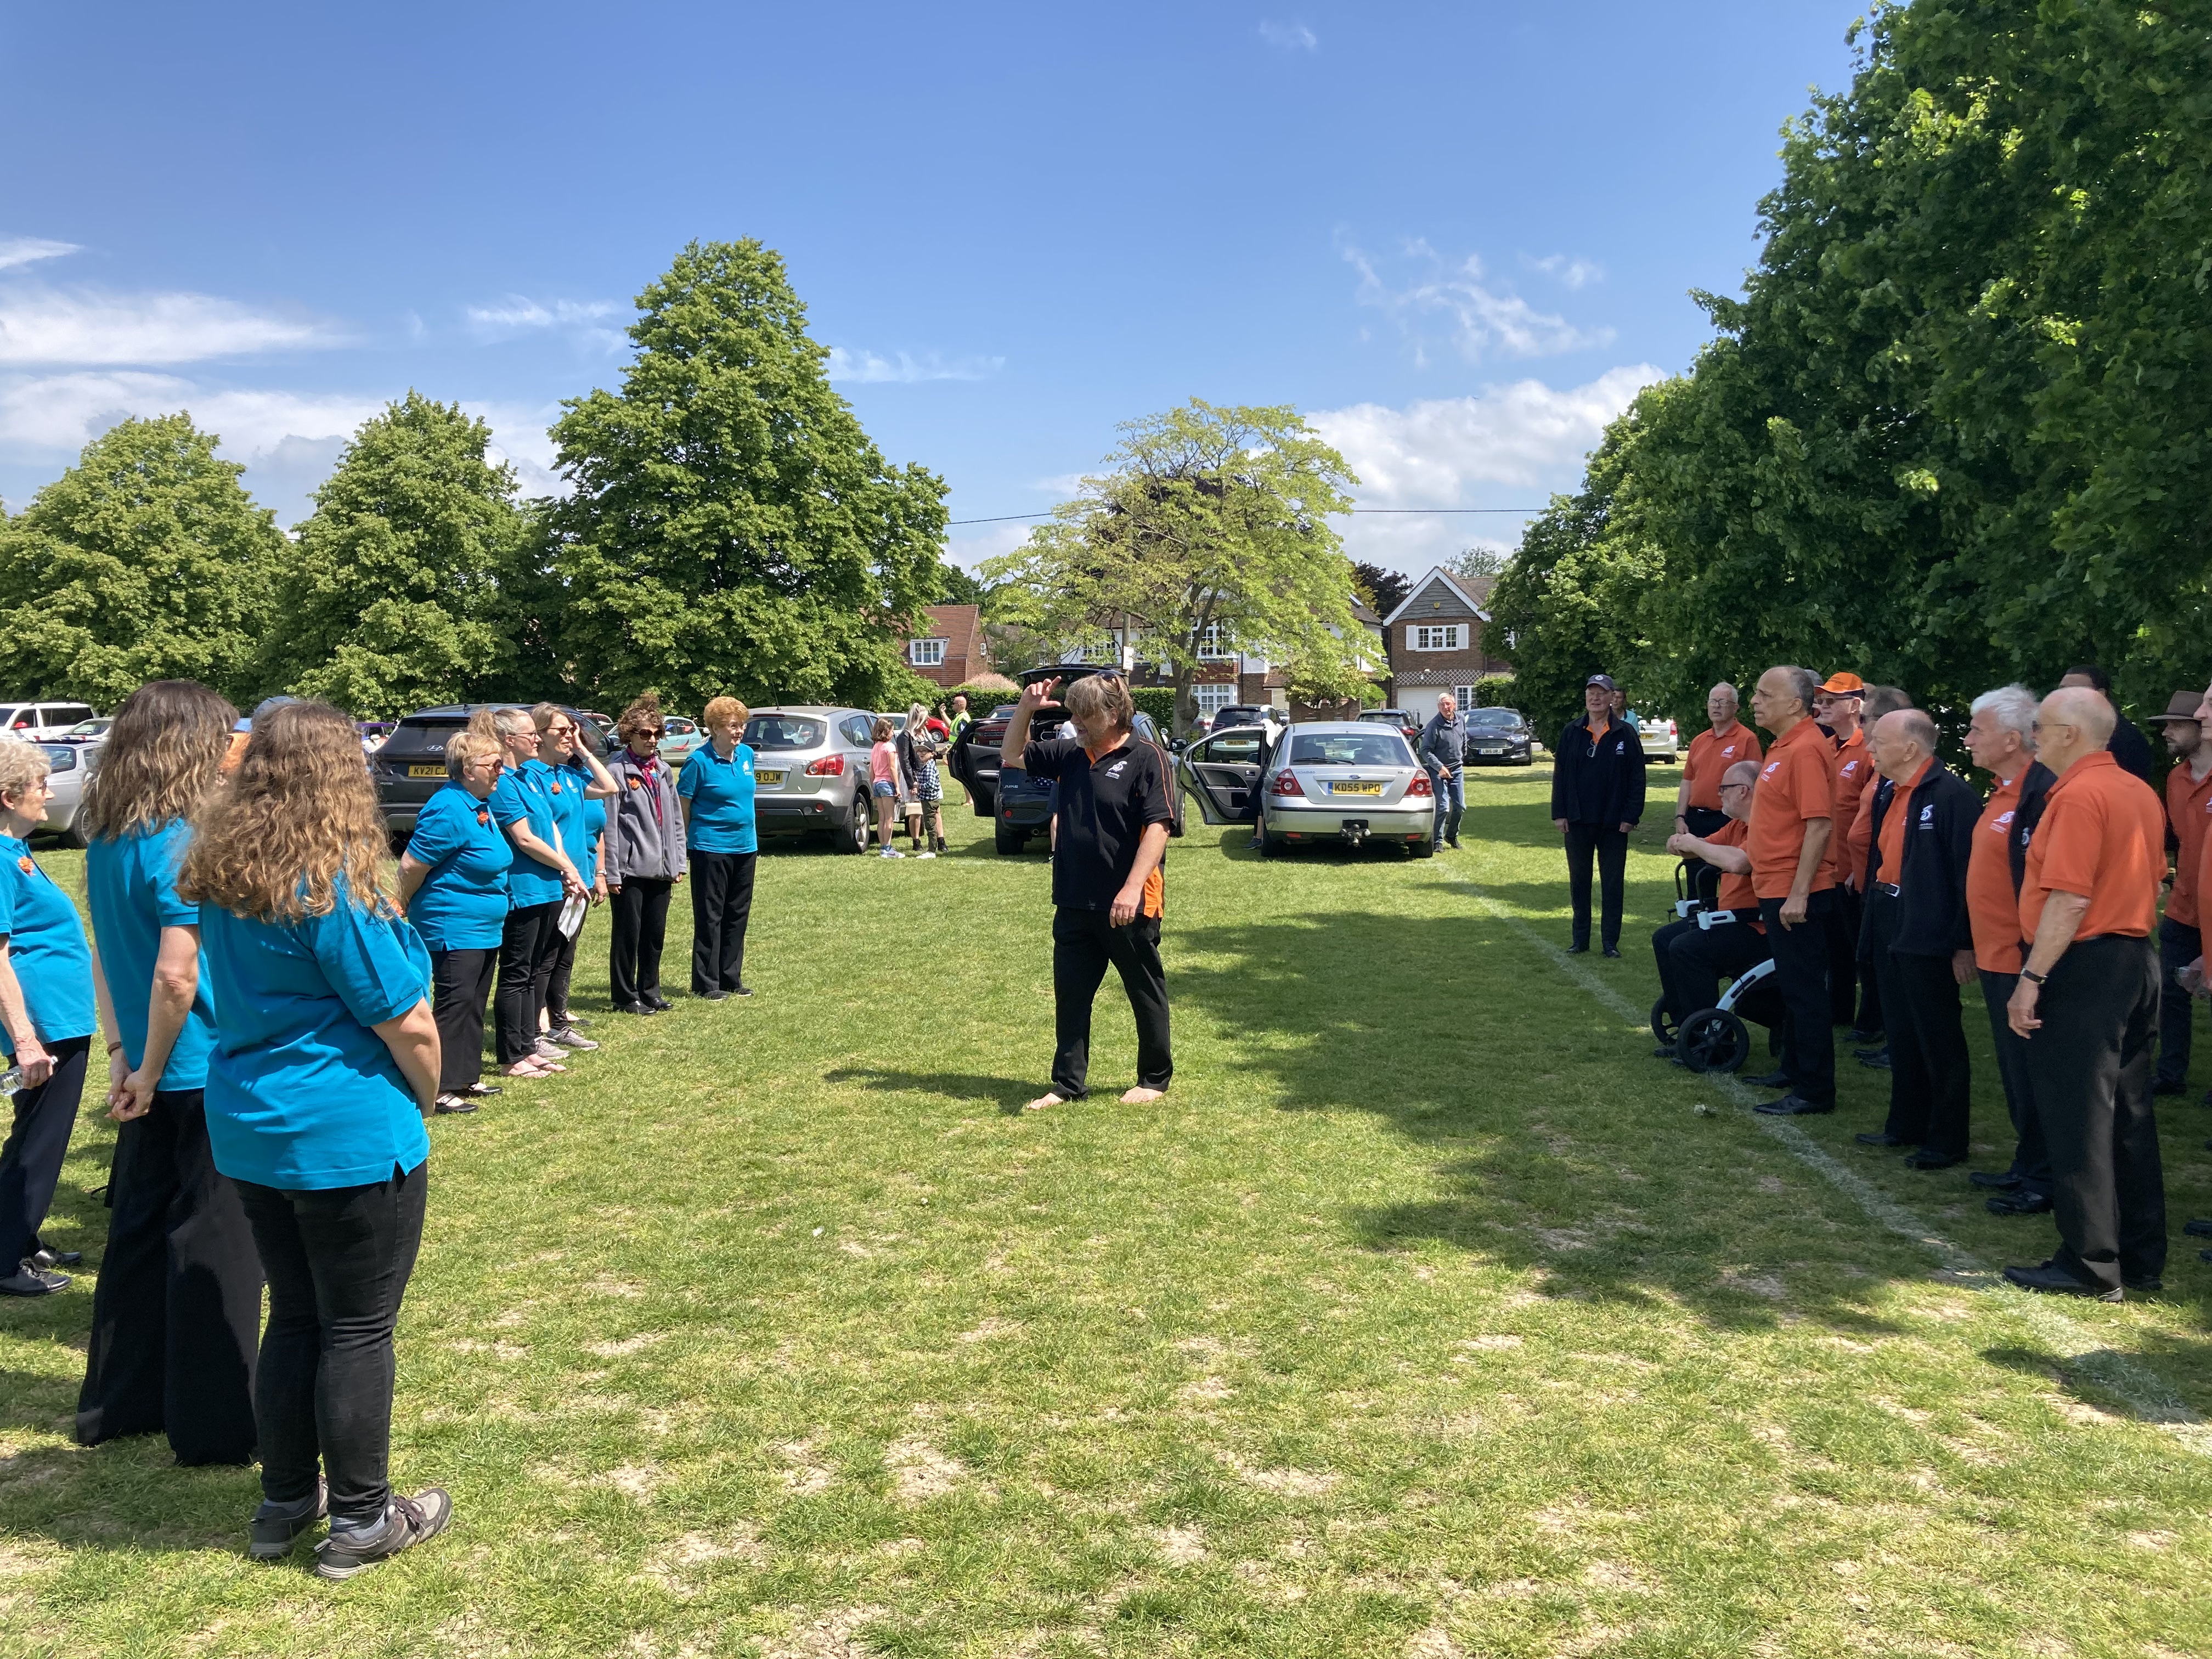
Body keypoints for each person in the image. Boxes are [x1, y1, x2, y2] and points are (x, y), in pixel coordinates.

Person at [177, 700, 452, 1576]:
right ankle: (363, 1521)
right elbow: (405, 1018)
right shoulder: (328, 876)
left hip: (254, 1123)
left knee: (296, 1314)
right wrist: (430, 1094)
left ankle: (286, 1499)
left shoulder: (227, 867)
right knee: (358, 1326)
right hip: (340, 1127)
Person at [74, 680, 260, 1459]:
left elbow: (106, 960)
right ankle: (216, 1425)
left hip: (147, 1064)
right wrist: (148, 1068)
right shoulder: (181, 839)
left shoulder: (110, 835)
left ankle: (120, 1402)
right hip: (195, 1065)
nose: (231, 750)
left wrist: (122, 1057)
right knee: (217, 1244)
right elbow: (176, 974)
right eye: (221, 736)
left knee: (140, 1237)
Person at [2002, 685, 2166, 1299]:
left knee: (2079, 1115)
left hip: (2083, 964)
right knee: (2129, 1112)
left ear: (2070, 734)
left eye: (2040, 727)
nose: (2034, 737)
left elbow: (2069, 898)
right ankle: (2141, 1255)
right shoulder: (2136, 790)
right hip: (2133, 960)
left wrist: (2032, 980)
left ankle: (2090, 1261)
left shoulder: (2076, 796)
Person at [1001, 673, 1172, 1111]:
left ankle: (1153, 1080)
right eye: (1072, 711)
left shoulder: (1147, 757)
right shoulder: (1071, 753)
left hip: (1128, 905)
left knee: (1144, 991)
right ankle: (1066, 1085)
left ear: (1113, 715)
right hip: (1074, 900)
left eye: (1085, 714)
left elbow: (1159, 826)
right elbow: (1012, 754)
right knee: (1072, 998)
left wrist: (1132, 889)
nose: (1074, 721)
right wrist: (1025, 707)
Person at [0, 739, 109, 1297]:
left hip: (60, 1016)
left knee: (35, 1134)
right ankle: (5, 1259)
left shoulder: (15, 851)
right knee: (40, 1141)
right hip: (42, 1025)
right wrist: (24, 1039)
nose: (48, 792)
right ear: (8, 796)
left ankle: (19, 1239)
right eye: (40, 784)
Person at [1849, 709, 1978, 1167]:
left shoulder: (1951, 795)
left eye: (1878, 741)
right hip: (1889, 913)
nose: (1870, 749)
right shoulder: (1891, 791)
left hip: (1929, 926)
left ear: (1910, 747)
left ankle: (1947, 1139)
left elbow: (1968, 875)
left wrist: (1964, 942)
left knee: (1937, 1033)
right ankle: (1904, 1125)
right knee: (1901, 1029)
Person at [1961, 685, 2055, 1216]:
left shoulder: (2040, 794)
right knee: (2015, 1074)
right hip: (1995, 954)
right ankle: (2028, 1163)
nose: (1968, 739)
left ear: (2013, 739)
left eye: (1978, 730)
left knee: (2034, 1075)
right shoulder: (2002, 791)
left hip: (2024, 959)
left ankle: (2043, 1177)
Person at [394, 729, 513, 1115]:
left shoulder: (477, 802)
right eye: (493, 764)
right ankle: (440, 1086)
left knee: (475, 1002)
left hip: (482, 925)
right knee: (454, 1003)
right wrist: (401, 901)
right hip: (452, 924)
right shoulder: (447, 807)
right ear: (467, 768)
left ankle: (465, 1075)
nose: (501, 771)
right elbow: (413, 864)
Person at [1746, 665, 1841, 1116]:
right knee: (1792, 986)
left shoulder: (1805, 749)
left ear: (1795, 704)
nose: (1755, 701)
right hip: (1776, 884)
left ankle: (1815, 1090)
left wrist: (1799, 893)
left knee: (1805, 991)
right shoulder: (1784, 746)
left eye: (1765, 694)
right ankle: (1793, 1069)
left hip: (1794, 890)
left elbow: (1819, 824)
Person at [486, 708, 586, 1080]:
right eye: (530, 733)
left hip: (547, 887)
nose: (537, 738)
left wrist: (564, 866)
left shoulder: (526, 778)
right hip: (523, 889)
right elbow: (525, 838)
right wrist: (568, 867)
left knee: (531, 972)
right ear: (509, 739)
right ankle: (512, 1055)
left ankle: (528, 1045)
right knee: (516, 973)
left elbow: (550, 829)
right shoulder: (505, 783)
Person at [1655, 761, 1767, 1047]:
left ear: (1744, 791)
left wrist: (1694, 844)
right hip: (1731, 917)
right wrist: (1683, 842)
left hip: (1756, 924)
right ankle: (1686, 1028)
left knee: (1686, 948)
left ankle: (1711, 1035)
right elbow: (1700, 847)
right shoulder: (1737, 826)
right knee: (1665, 938)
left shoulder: (1765, 825)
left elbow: (1739, 863)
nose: (1719, 796)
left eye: (1724, 789)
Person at [1837, 685, 1911, 1057]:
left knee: (1891, 966)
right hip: (1869, 878)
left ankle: (1890, 1039)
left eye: (1868, 721)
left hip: (1890, 887)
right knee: (1870, 958)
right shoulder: (1884, 774)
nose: (1864, 730)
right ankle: (1873, 1025)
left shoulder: (1909, 782)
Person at [1550, 674, 1646, 957]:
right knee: (1579, 882)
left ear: (1612, 698)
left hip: (1614, 823)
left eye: (1602, 693)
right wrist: (1560, 813)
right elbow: (1561, 775)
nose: (1596, 698)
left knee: (1613, 883)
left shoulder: (1625, 734)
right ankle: (1580, 940)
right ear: (1586, 697)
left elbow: (1637, 778)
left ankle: (1610, 943)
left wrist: (1631, 815)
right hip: (1578, 821)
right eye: (1591, 692)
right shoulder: (1572, 731)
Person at [603, 694, 687, 1016]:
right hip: (630, 869)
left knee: (654, 933)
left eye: (657, 734)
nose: (652, 740)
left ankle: (650, 990)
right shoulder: (617, 772)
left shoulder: (663, 770)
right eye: (645, 734)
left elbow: (676, 821)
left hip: (662, 868)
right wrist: (611, 872)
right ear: (629, 735)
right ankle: (625, 996)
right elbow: (609, 825)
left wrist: (678, 860)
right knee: (628, 934)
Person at [2148, 690, 2212, 1096]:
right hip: (2183, 905)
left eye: (2175, 724)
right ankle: (2171, 1075)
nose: (2167, 732)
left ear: (2202, 729)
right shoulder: (2175, 778)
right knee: (2170, 991)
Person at [677, 696, 759, 998]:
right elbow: (683, 806)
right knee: (711, 915)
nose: (739, 732)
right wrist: (683, 844)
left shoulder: (747, 755)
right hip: (710, 847)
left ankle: (730, 977)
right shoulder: (698, 761)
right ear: (715, 728)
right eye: (733, 726)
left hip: (745, 847)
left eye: (742, 726)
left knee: (737, 913)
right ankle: (706, 983)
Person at [541, 723, 613, 1047]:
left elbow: (610, 787)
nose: (569, 737)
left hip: (580, 879)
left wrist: (583, 751)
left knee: (564, 952)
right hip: (556, 878)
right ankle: (540, 1021)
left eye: (574, 732)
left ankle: (558, 1019)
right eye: (563, 732)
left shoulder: (573, 777)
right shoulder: (541, 779)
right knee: (547, 953)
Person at [1814, 673, 1875, 1030]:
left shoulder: (1869, 748)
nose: (1821, 706)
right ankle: (1838, 1015)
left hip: (1855, 873)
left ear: (1854, 706)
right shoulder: (1826, 747)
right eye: (1821, 700)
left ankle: (1869, 1022)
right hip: (1828, 868)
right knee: (1834, 948)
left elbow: (1875, 815)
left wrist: (1859, 868)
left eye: (1831, 701)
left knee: (1861, 951)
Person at [1673, 684, 1762, 906]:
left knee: (1728, 876)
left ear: (1736, 708)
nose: (1717, 706)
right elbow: (1688, 781)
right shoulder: (1699, 740)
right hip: (1696, 817)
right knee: (1696, 880)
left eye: (1723, 702)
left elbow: (1755, 780)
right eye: (1713, 701)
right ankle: (1696, 923)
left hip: (1728, 818)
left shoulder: (1746, 739)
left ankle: (1727, 918)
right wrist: (1680, 817)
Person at [2058, 665, 2155, 784]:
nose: (2064, 696)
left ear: (2100, 695)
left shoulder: (2125, 738)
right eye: (2061, 690)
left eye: (2075, 690)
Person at [1419, 693, 1467, 850]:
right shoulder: (1434, 725)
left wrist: (1461, 759)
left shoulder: (1461, 721)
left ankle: (1452, 836)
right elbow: (1425, 750)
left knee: (1460, 806)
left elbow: (1463, 742)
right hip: (1439, 771)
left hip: (1457, 770)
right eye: (1442, 705)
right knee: (1443, 807)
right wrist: (1440, 767)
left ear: (1454, 705)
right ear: (1438, 707)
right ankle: (1437, 841)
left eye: (1448, 704)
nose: (1446, 708)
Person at [899, 703, 945, 857]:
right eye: (925, 719)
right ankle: (917, 842)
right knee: (917, 811)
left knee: (936, 809)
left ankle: (941, 841)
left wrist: (941, 753)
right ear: (917, 719)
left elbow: (931, 752)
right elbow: (904, 761)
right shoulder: (905, 736)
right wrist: (911, 783)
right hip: (916, 776)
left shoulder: (925, 733)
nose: (927, 722)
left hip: (929, 774)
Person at [869, 719, 903, 857]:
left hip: (877, 783)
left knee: (882, 818)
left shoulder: (875, 747)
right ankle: (887, 849)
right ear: (887, 731)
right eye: (892, 729)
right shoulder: (890, 748)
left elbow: (871, 770)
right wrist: (898, 786)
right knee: (890, 818)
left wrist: (873, 786)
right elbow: (892, 768)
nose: (893, 732)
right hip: (887, 783)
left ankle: (883, 848)